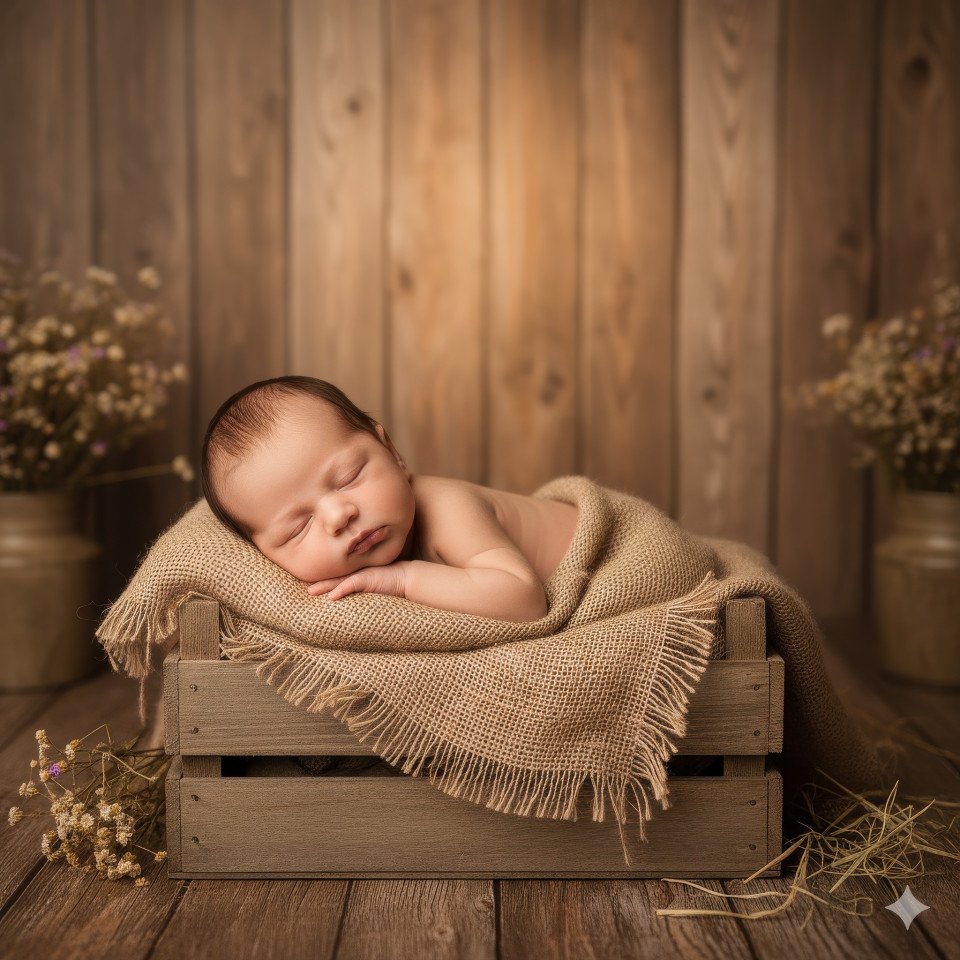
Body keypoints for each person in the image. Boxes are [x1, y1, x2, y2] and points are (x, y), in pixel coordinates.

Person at [200, 375, 579, 623]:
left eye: (348, 477)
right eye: (298, 528)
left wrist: (403, 580)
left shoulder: (446, 508)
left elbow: (525, 602)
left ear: (391, 451)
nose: (338, 516)